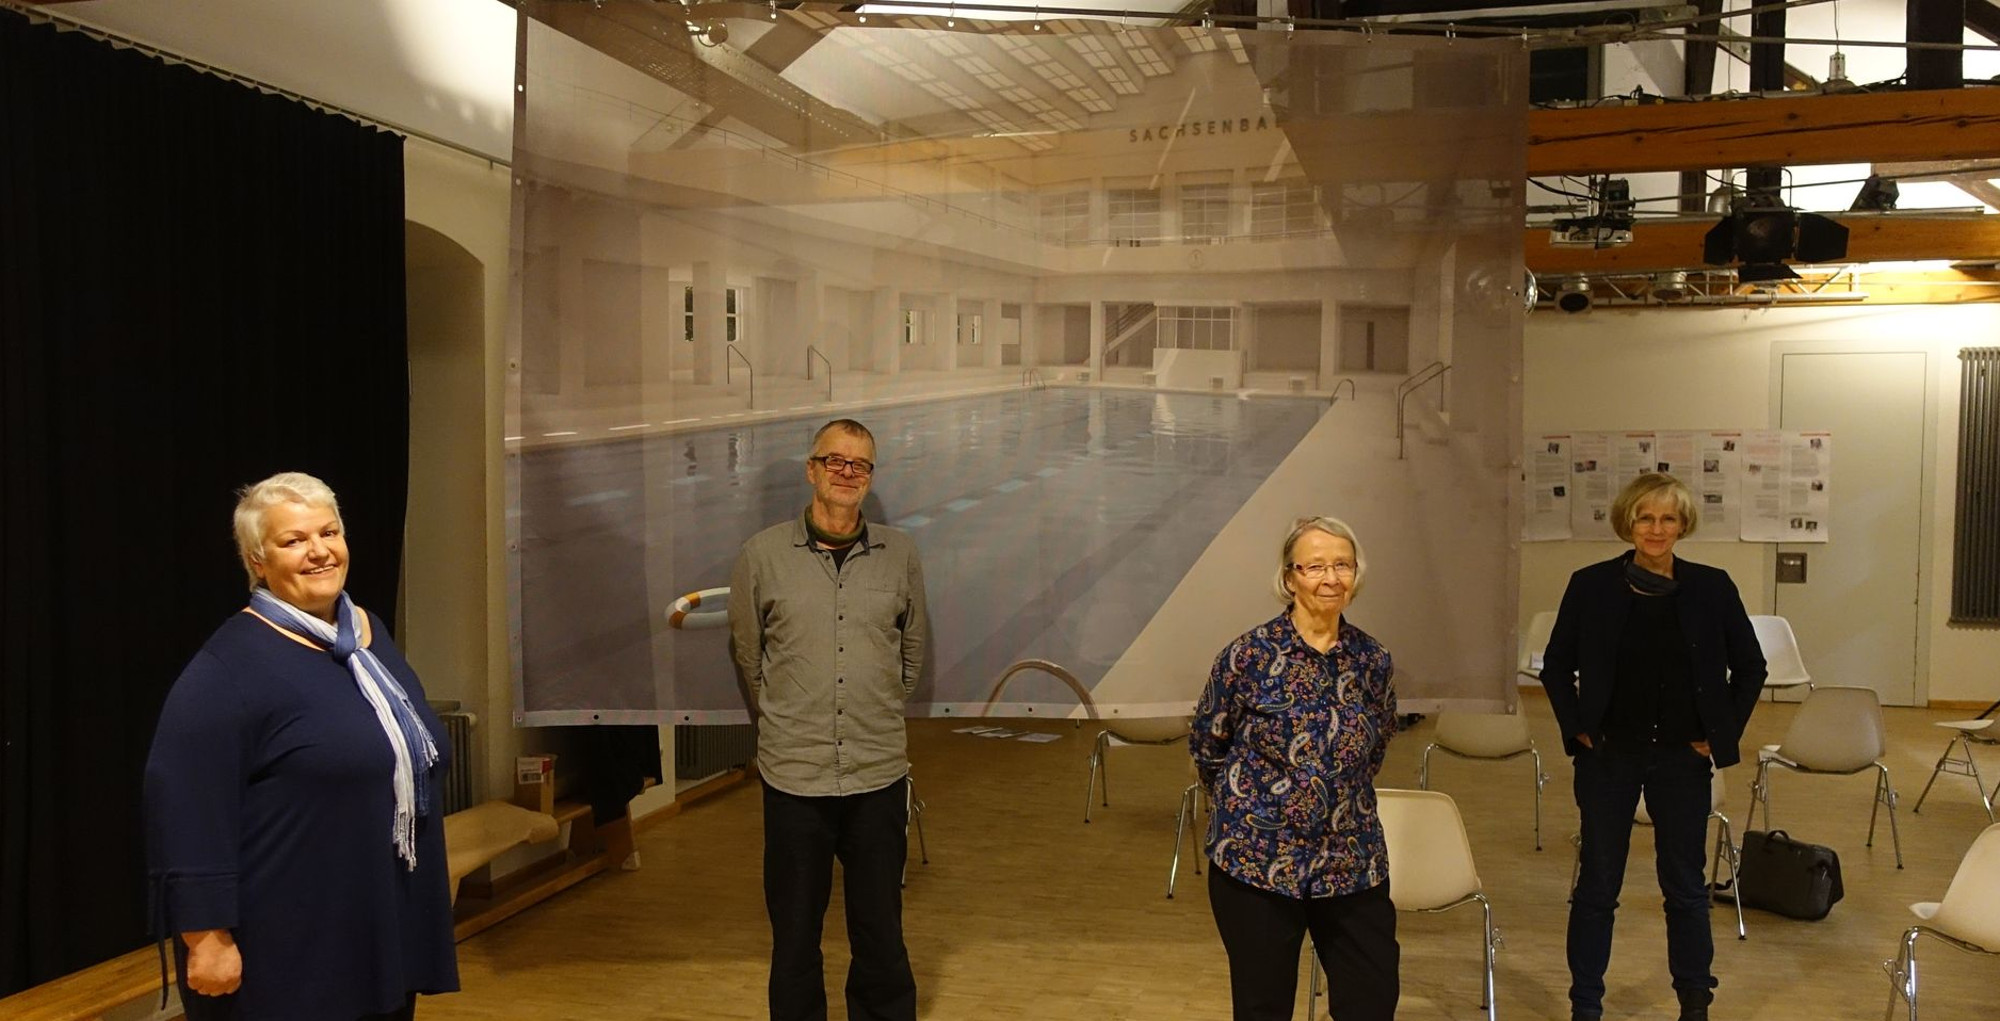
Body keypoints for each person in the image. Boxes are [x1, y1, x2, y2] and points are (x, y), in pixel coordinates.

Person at [143, 472, 458, 1020]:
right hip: (287, 946)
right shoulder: (230, 666)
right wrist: (206, 937)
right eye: (293, 541)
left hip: (374, 924)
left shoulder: (366, 636)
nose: (319, 552)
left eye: (329, 533)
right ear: (257, 560)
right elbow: (185, 807)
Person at [1541, 472, 1767, 1021]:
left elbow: (1751, 668)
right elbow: (1556, 666)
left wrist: (1717, 737)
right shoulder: (1591, 584)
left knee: (1685, 886)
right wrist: (1578, 730)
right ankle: (1585, 1004)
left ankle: (1694, 1002)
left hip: (1681, 759)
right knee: (1598, 885)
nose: (1657, 529)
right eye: (1646, 518)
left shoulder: (1712, 587)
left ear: (1683, 525)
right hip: (1608, 755)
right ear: (1628, 522)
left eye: (1668, 518)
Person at [727, 419, 930, 1021]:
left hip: (876, 773)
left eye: (859, 464)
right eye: (834, 460)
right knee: (794, 936)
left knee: (881, 932)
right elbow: (749, 655)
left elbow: (911, 652)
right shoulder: (762, 555)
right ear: (811, 470)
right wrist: (791, 715)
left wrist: (875, 704)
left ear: (870, 477)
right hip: (795, 777)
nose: (846, 472)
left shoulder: (900, 555)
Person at [1190, 516, 1399, 1021]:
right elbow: (1208, 744)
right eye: (1316, 567)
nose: (1331, 578)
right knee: (1263, 1006)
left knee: (1372, 1000)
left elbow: (1377, 744)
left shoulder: (1372, 659)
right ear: (1289, 577)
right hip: (1257, 860)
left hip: (1350, 860)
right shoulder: (1248, 656)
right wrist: (1259, 804)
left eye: (1343, 565)